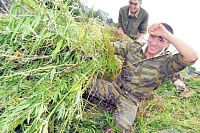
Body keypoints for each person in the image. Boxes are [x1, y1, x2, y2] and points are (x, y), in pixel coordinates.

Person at [86, 22, 198, 131]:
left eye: (160, 40)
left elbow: (192, 57)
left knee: (120, 126)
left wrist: (166, 34)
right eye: (152, 37)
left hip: (130, 100)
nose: (154, 43)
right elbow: (108, 47)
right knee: (85, 84)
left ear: (167, 44)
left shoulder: (167, 63)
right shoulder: (134, 47)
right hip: (113, 88)